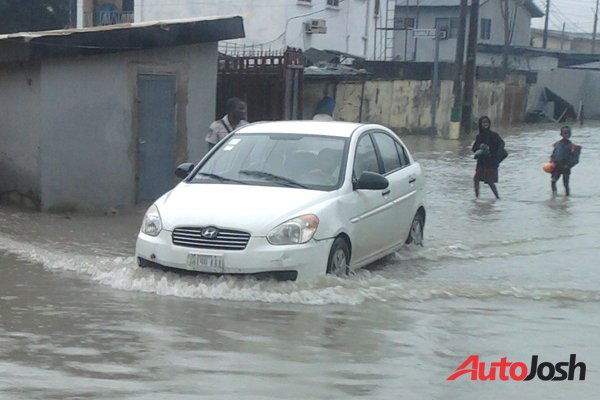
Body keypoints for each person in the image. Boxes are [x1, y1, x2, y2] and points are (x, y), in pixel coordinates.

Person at [472, 116, 504, 199]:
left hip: (491, 162)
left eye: (487, 122)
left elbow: (501, 144)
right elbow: (474, 148)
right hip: (481, 162)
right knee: (476, 179)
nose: (485, 124)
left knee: (490, 181)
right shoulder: (479, 136)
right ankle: (477, 198)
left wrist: (495, 154)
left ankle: (497, 197)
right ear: (480, 124)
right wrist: (480, 146)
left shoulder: (494, 135)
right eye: (483, 122)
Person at [550, 126, 577, 196]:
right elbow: (553, 154)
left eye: (568, 133)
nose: (566, 135)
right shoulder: (556, 144)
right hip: (556, 167)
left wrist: (568, 165)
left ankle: (567, 197)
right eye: (565, 133)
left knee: (565, 184)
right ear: (561, 134)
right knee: (553, 181)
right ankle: (554, 195)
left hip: (566, 168)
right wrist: (551, 161)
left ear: (570, 134)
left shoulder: (572, 146)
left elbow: (575, 159)